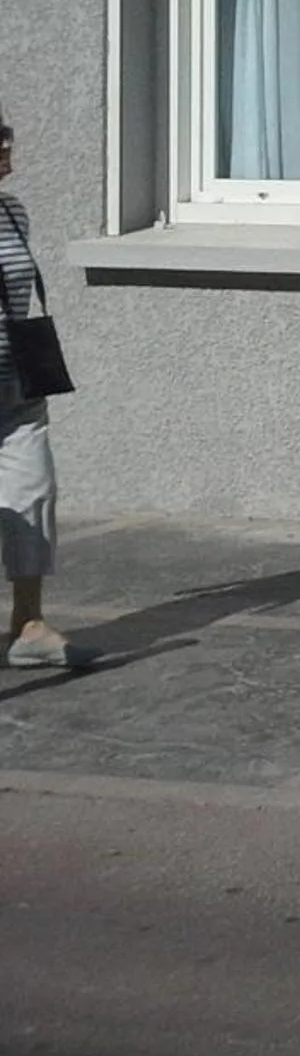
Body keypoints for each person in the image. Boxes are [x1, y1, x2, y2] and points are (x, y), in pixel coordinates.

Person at [0, 116, 73, 667]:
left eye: (7, 138)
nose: (7, 148)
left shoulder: (13, 209)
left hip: (19, 384)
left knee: (33, 494)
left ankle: (28, 626)